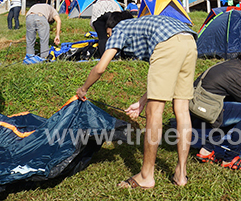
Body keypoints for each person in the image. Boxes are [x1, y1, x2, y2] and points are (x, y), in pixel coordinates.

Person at [76, 14, 197, 189]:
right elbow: (165, 76)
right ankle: (181, 174)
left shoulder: (119, 29)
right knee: (182, 110)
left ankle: (146, 176)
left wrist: (84, 88)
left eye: (109, 35)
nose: (110, 39)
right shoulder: (143, 24)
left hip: (168, 43)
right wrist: (141, 102)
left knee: (154, 112)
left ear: (112, 29)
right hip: (189, 40)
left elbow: (101, 67)